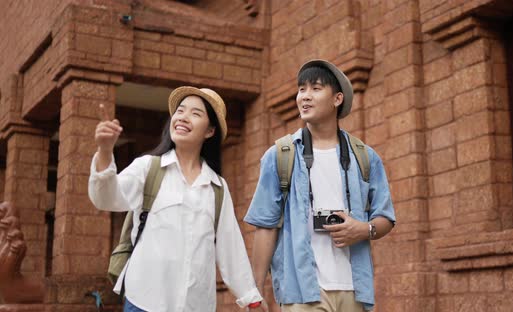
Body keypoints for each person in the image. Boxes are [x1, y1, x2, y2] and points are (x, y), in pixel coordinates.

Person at [89, 86, 266, 312]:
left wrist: (250, 298)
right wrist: (105, 152)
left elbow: (230, 248)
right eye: (180, 111)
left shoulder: (217, 188)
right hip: (145, 302)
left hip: (196, 305)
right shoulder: (148, 168)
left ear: (210, 131)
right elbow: (107, 199)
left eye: (195, 113)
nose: (183, 117)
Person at [244, 59, 396, 312]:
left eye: (315, 88)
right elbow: (265, 226)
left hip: (354, 289)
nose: (304, 96)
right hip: (302, 292)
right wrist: (255, 291)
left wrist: (363, 229)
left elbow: (386, 218)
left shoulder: (365, 157)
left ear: (337, 99)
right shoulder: (281, 155)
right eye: (301, 89)